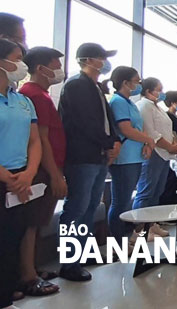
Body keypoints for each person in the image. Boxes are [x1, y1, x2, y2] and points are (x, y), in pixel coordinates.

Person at [58, 43, 121, 282]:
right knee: (76, 208)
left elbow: (107, 121)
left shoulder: (95, 87)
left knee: (89, 207)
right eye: (100, 57)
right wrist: (107, 142)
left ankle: (81, 254)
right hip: (82, 156)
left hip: (97, 156)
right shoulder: (76, 85)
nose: (104, 62)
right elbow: (84, 122)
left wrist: (113, 141)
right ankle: (69, 262)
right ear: (87, 60)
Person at [0, 38, 51, 308]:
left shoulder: (22, 101)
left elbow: (35, 141)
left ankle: (7, 290)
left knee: (13, 236)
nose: (21, 64)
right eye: (16, 58)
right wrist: (6, 176)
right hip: (5, 177)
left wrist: (29, 172)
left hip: (22, 177)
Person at [17, 46, 66, 297]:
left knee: (38, 220)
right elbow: (41, 138)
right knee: (31, 222)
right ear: (40, 68)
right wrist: (55, 174)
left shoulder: (41, 95)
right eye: (56, 64)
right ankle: (27, 274)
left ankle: (32, 267)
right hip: (41, 169)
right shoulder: (32, 95)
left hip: (48, 167)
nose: (59, 70)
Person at [107, 66, 155, 240]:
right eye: (136, 81)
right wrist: (148, 140)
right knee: (120, 201)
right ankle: (118, 239)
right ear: (125, 83)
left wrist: (145, 143)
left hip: (134, 155)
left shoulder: (128, 102)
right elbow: (126, 129)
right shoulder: (118, 101)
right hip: (124, 157)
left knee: (126, 200)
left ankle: (126, 235)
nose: (139, 85)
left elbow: (137, 128)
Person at [133, 78, 177, 236]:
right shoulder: (144, 105)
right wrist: (169, 146)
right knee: (146, 191)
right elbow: (150, 132)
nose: (161, 93)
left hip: (164, 154)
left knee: (157, 191)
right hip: (153, 152)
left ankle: (151, 224)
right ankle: (139, 229)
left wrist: (173, 144)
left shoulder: (156, 107)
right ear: (148, 91)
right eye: (158, 90)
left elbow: (167, 129)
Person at [158, 91, 177, 205]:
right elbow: (173, 134)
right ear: (174, 102)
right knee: (171, 181)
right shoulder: (167, 116)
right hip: (175, 151)